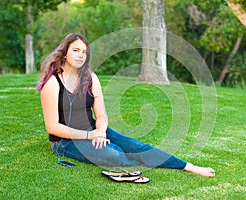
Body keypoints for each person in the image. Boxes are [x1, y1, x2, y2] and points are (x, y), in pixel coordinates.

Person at [37, 33, 215, 181]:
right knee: (114, 154)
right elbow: (53, 127)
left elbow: (101, 115)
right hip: (66, 141)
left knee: (137, 146)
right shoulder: (52, 83)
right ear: (65, 53)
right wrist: (90, 135)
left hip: (94, 131)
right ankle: (128, 166)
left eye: (84, 51)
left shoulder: (91, 78)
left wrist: (99, 131)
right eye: (75, 50)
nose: (81, 55)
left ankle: (189, 167)